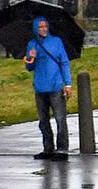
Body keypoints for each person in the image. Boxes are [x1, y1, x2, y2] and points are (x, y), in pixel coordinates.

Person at [22, 15, 73, 162]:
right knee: (43, 120)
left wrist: (67, 84)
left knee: (60, 119)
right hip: (40, 88)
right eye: (40, 27)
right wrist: (31, 57)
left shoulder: (56, 42)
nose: (44, 29)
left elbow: (64, 62)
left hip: (56, 87)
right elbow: (29, 67)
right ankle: (48, 148)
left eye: (45, 26)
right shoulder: (32, 44)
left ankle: (62, 149)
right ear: (35, 29)